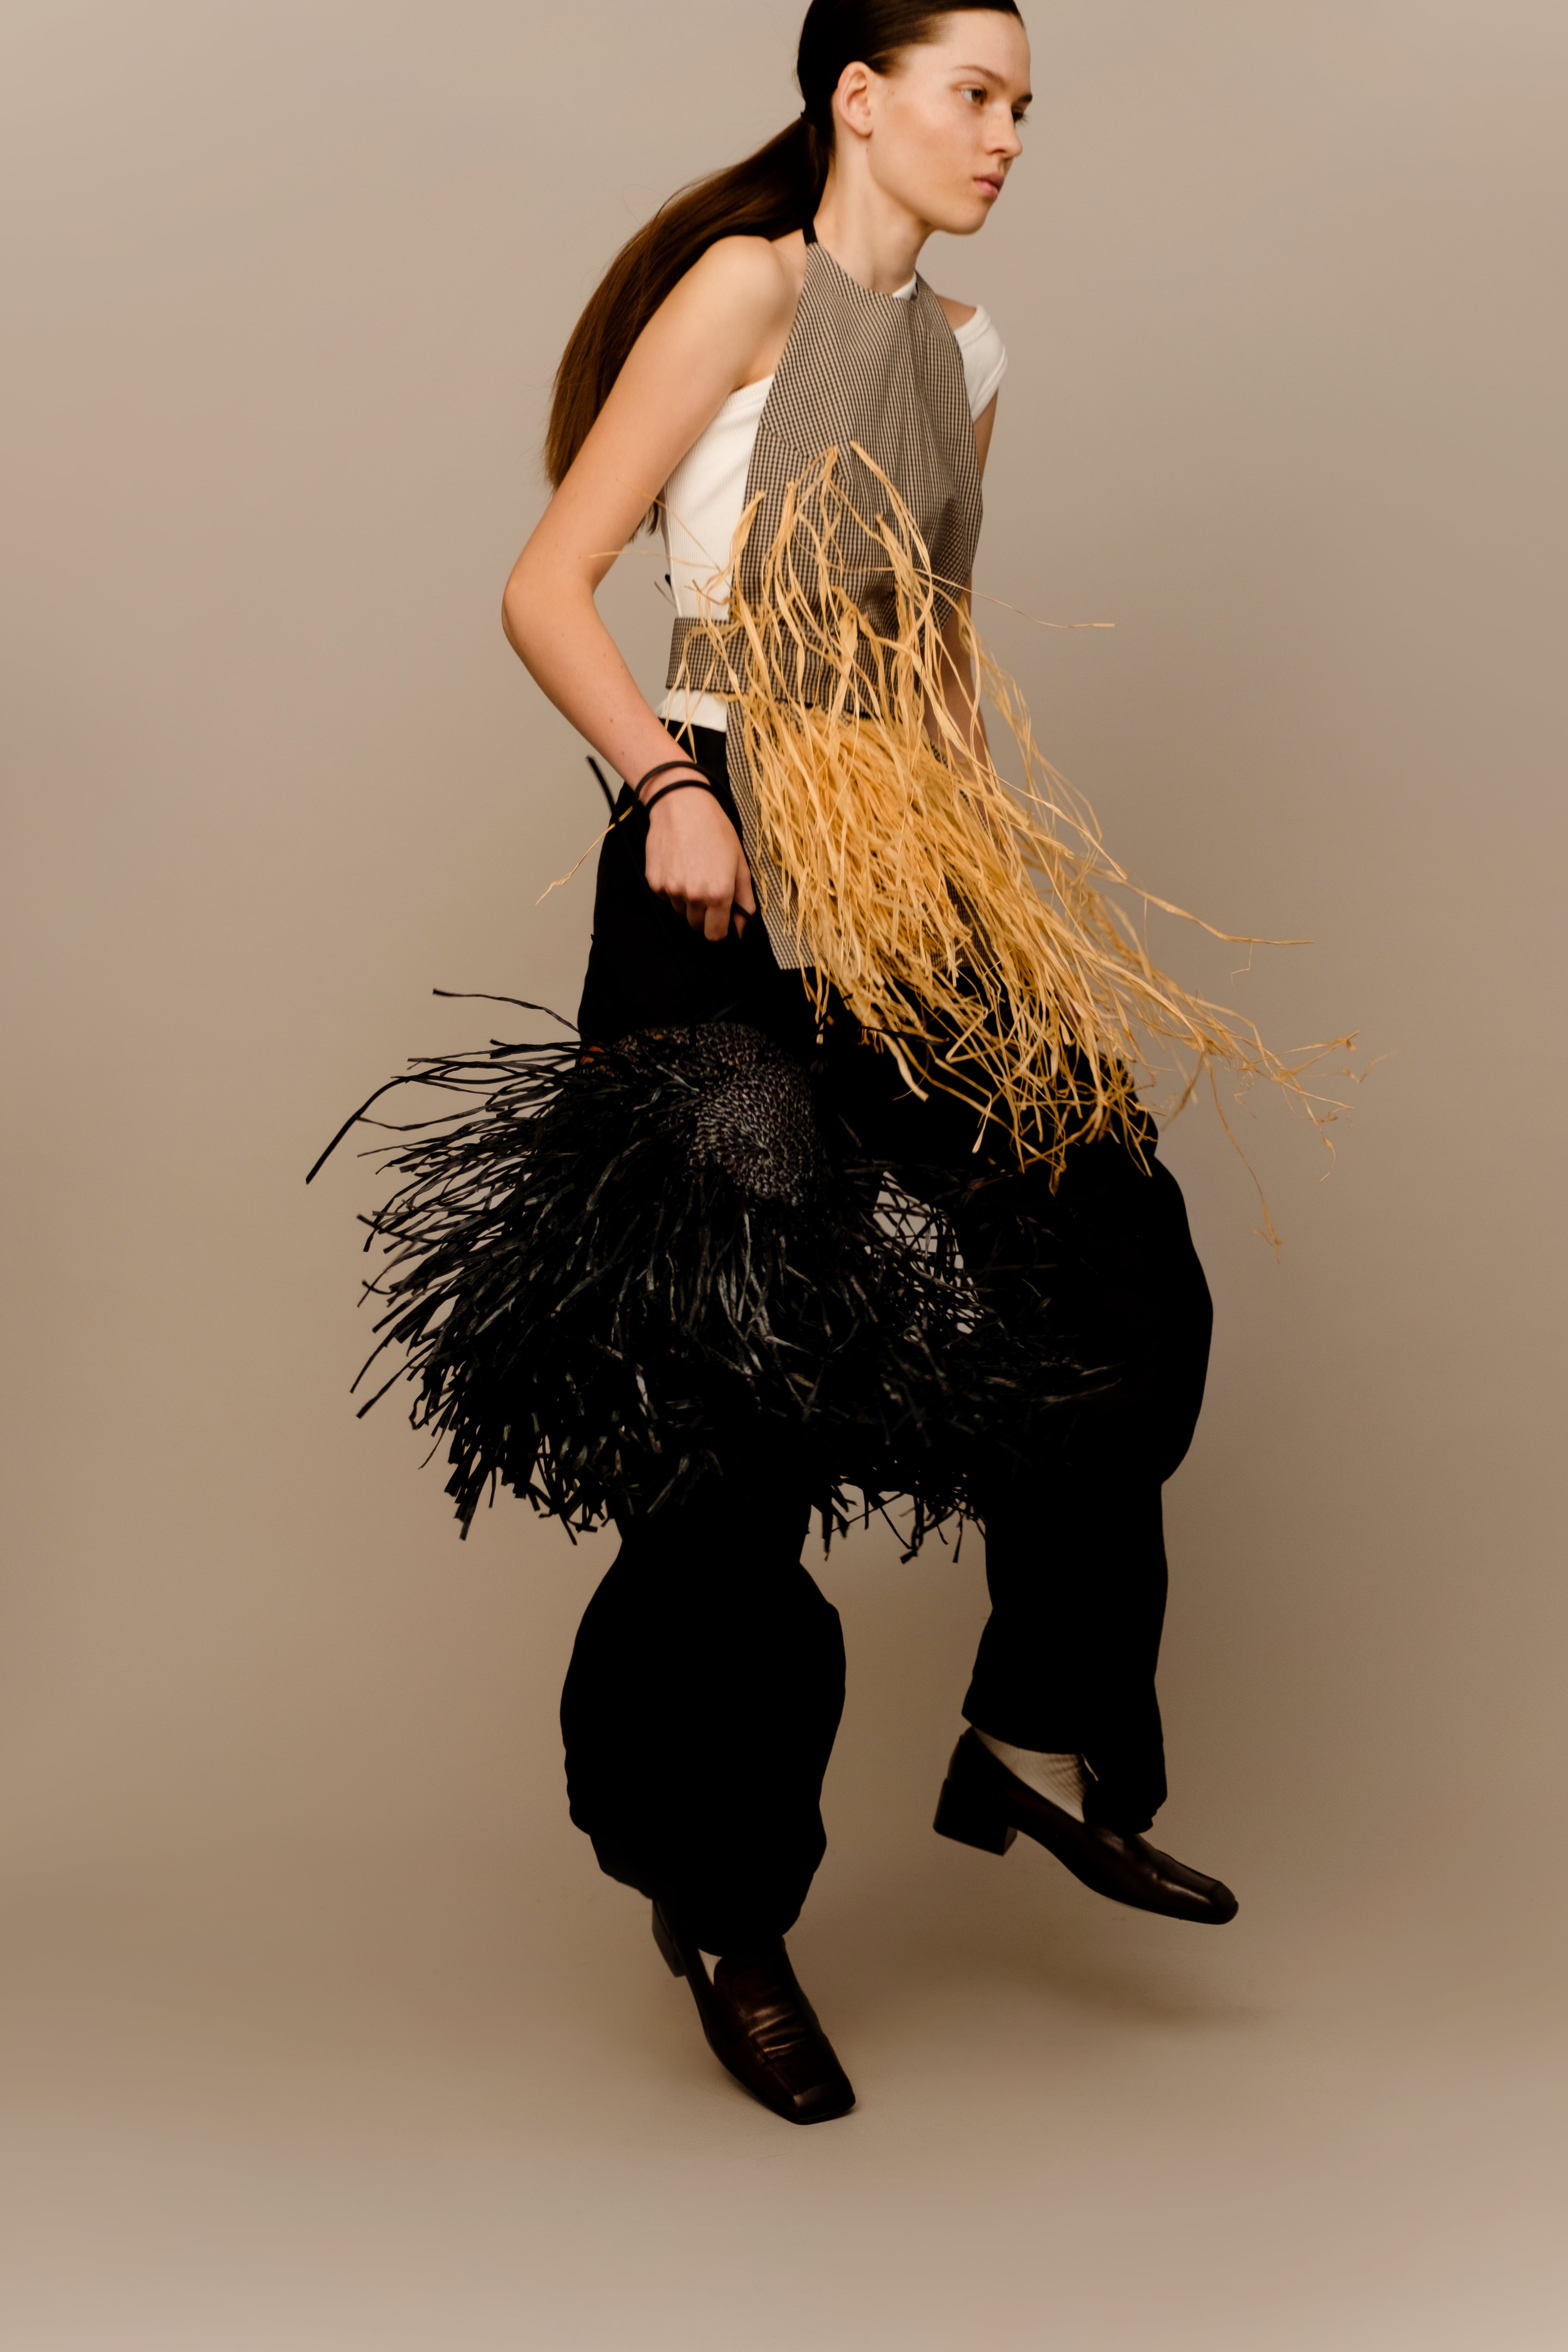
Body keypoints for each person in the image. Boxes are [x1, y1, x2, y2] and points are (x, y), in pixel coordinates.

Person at [490, 0, 1237, 2128]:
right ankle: (724, 1907)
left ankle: (1033, 1734)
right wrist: (667, 788)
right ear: (861, 98)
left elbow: (933, 647)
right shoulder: (748, 289)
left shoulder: (973, 356)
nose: (1006, 137)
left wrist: (989, 874)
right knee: (731, 1410)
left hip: (908, 867)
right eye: (975, 95)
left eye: (1023, 106)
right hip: (715, 853)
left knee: (1117, 1268)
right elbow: (549, 586)